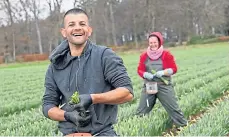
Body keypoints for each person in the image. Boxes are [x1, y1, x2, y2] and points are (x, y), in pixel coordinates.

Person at [42, 8, 133, 136]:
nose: (77, 28)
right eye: (71, 24)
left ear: (89, 30)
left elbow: (127, 93)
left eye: (82, 24)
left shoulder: (104, 56)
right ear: (64, 32)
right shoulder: (55, 66)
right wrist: (68, 116)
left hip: (101, 133)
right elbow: (48, 106)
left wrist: (92, 98)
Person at [136, 32, 187, 127]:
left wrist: (163, 72)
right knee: (142, 110)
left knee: (173, 108)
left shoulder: (166, 54)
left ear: (159, 42)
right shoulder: (144, 56)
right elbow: (140, 70)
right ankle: (138, 129)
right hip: (149, 86)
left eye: (155, 42)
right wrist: (145, 74)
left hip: (164, 85)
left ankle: (183, 126)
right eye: (151, 43)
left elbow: (174, 69)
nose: (153, 44)